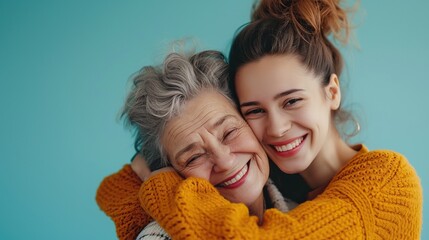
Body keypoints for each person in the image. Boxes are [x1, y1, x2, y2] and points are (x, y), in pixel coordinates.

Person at [136, 0, 423, 239]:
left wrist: (160, 185)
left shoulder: (388, 181)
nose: (277, 128)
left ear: (332, 92)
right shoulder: (276, 188)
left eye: (292, 101)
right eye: (255, 110)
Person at [95, 50, 296, 240]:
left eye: (229, 132)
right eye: (194, 158)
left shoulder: (302, 209)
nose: (224, 161)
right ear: (170, 173)